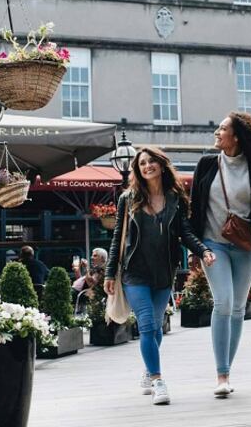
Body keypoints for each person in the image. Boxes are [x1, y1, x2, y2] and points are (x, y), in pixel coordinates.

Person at [105, 147, 216, 405]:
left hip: (164, 272)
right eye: (142, 163)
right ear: (137, 170)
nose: (147, 166)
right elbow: (117, 237)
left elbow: (185, 232)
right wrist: (110, 272)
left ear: (161, 165)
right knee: (145, 324)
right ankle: (158, 381)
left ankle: (147, 368)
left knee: (155, 328)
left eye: (151, 161)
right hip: (135, 273)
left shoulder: (176, 198)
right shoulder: (128, 198)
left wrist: (203, 250)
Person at [189, 112, 251, 398]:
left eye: (222, 128)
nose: (216, 132)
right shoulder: (206, 164)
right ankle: (221, 374)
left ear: (236, 136)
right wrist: (195, 250)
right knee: (224, 303)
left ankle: (228, 366)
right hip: (212, 244)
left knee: (239, 308)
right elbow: (194, 210)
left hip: (245, 245)